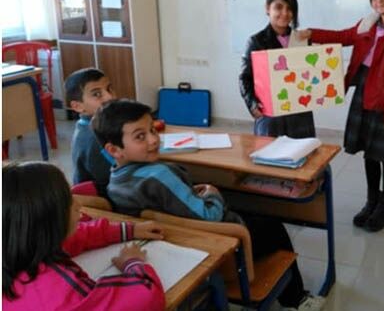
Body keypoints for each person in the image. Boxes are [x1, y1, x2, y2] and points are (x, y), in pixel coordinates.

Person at [92, 99, 325, 311]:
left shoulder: (115, 182)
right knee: (274, 227)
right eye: (140, 136)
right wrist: (213, 193)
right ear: (114, 149)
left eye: (152, 130)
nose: (153, 139)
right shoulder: (159, 176)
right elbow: (209, 216)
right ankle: (298, 299)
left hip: (176, 245)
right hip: (218, 244)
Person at [297, 0, 384, 232]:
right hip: (364, 92)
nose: (379, 0)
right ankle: (371, 201)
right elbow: (342, 36)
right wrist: (312, 34)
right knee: (369, 153)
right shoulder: (368, 25)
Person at [2, 161, 166, 310]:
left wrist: (129, 230)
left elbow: (76, 236)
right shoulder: (65, 299)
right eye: (68, 200)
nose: (79, 204)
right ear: (47, 221)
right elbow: (147, 296)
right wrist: (132, 263)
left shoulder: (19, 246)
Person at [239, 0, 316, 139]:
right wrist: (253, 104)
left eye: (290, 8)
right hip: (271, 116)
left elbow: (310, 74)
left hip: (300, 114)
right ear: (268, 8)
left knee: (302, 151)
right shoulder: (256, 41)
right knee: (270, 151)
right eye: (279, 7)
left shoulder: (302, 39)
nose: (285, 13)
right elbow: (244, 78)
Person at [65, 67, 116, 197]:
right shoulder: (93, 138)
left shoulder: (93, 124)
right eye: (97, 94)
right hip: (102, 200)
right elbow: (115, 178)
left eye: (109, 89)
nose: (109, 97)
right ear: (78, 106)